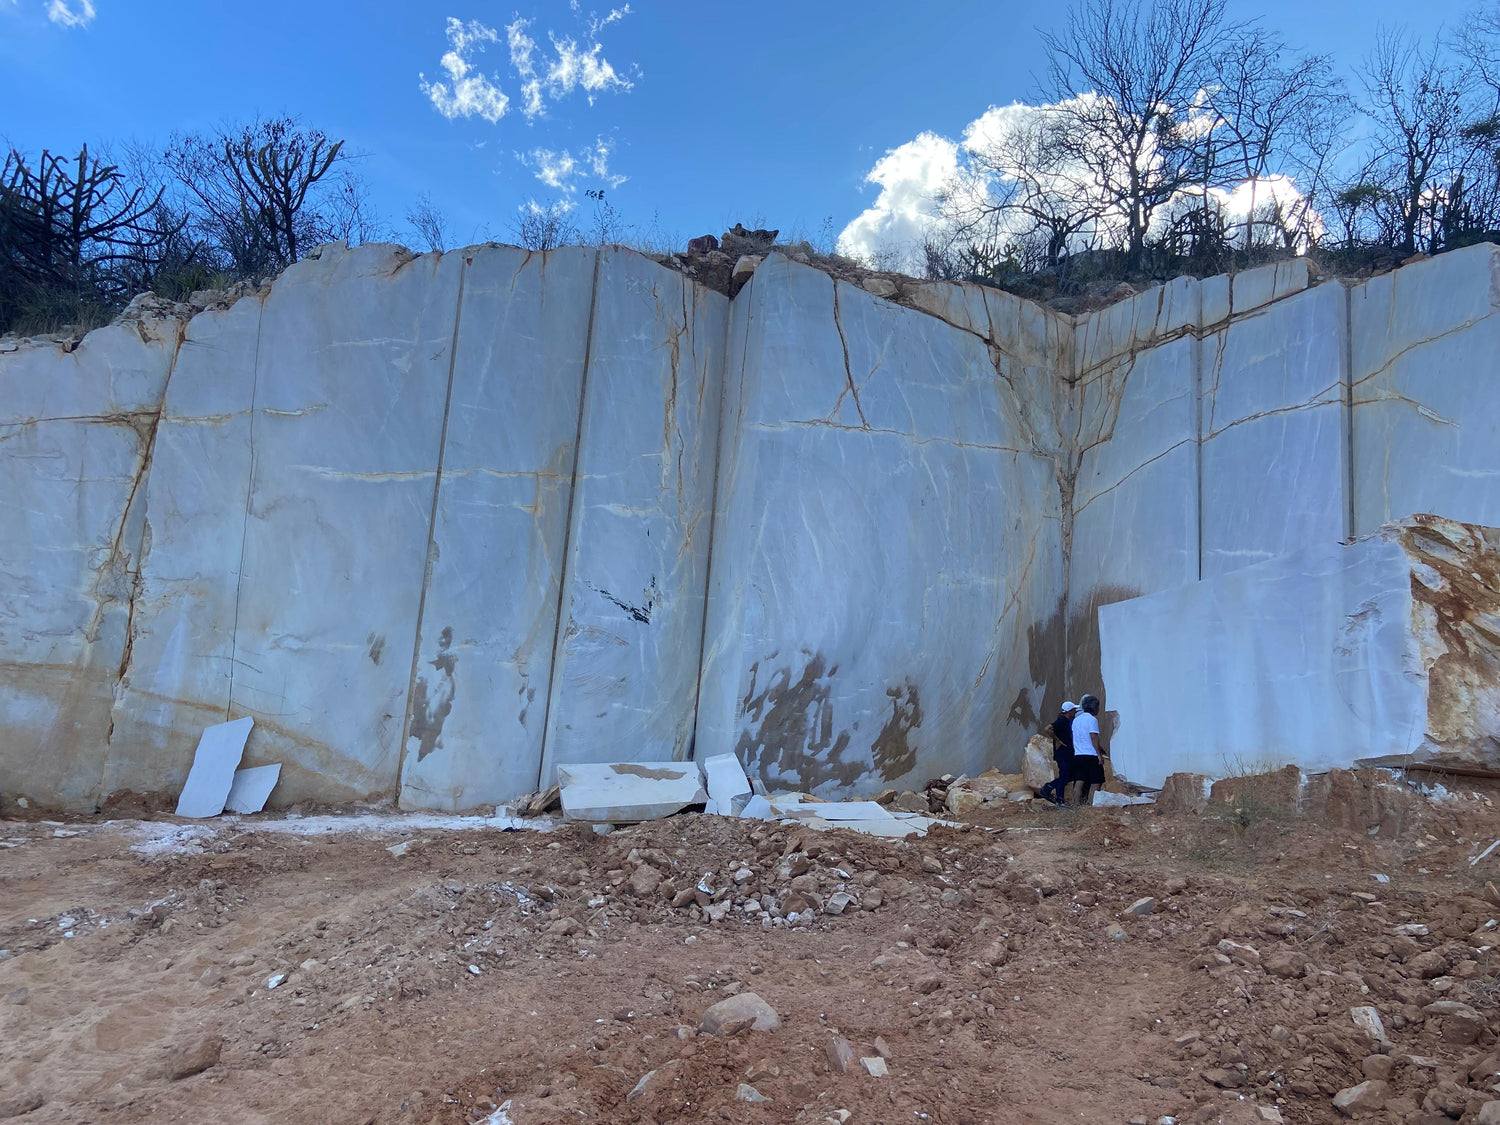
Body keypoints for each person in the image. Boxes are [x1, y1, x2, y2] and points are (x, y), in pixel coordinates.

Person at [1069, 694, 1107, 806]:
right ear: (1094, 707)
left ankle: (1076, 804)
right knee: (1096, 782)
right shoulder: (1092, 719)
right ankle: (1091, 804)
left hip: (1078, 754)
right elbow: (1093, 736)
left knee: (1079, 781)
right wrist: (1099, 755)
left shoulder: (1076, 720)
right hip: (1091, 754)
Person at [1039, 701, 1078, 806]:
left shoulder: (1067, 721)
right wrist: (1057, 740)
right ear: (1069, 711)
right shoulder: (1061, 721)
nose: (1075, 711)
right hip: (1063, 754)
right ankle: (1054, 794)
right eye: (1074, 710)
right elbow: (1048, 728)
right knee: (1064, 776)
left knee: (1067, 776)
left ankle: (1054, 792)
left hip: (1067, 753)